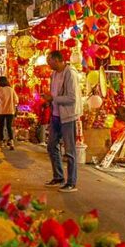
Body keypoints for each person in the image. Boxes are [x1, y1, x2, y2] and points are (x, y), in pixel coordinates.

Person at [42, 50, 81, 193]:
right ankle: (58, 177)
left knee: (69, 151)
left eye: (50, 61)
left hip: (68, 116)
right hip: (56, 115)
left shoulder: (70, 74)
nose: (48, 64)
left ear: (57, 60)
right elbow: (54, 93)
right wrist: (49, 101)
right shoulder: (53, 74)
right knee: (52, 146)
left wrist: (53, 99)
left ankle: (71, 182)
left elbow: (72, 98)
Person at [0, 76, 18, 149]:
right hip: (10, 111)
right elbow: (16, 100)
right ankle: (11, 142)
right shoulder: (11, 89)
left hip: (1, 111)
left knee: (1, 126)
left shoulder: (0, 89)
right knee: (9, 126)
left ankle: (1, 142)